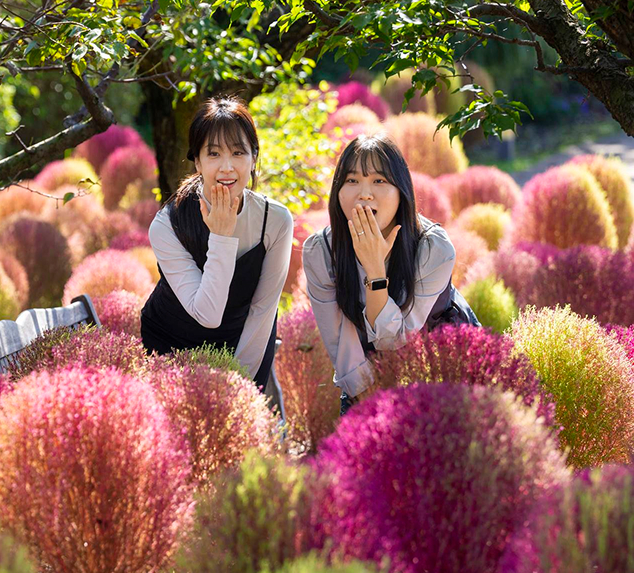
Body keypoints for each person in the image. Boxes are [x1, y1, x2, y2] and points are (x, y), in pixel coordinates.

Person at [302, 132, 480, 416]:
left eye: (378, 181)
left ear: (401, 191)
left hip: (442, 366)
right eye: (351, 181)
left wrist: (374, 270)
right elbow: (340, 339)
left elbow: (395, 340)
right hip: (366, 377)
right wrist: (367, 399)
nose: (364, 193)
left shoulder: (433, 248)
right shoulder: (321, 252)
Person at [140, 96, 293, 388]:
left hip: (240, 344)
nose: (227, 167)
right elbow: (207, 314)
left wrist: (239, 384)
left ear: (253, 159)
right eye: (213, 154)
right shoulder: (166, 225)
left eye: (238, 153)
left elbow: (263, 311)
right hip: (169, 346)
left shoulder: (275, 221)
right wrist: (222, 237)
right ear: (197, 161)